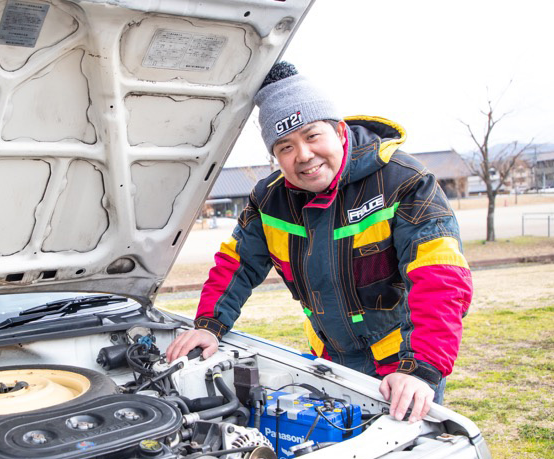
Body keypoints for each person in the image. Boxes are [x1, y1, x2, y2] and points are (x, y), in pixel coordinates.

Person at [166, 62, 472, 423]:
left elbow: (440, 278)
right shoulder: (269, 201)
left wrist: (420, 368)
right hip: (327, 360)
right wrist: (209, 325)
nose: (304, 155)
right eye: (286, 146)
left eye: (312, 136)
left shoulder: (403, 182)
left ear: (340, 131)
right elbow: (237, 266)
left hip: (400, 367)